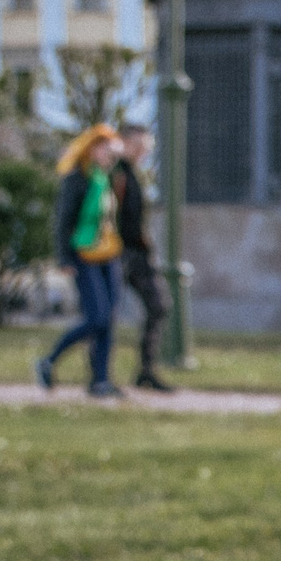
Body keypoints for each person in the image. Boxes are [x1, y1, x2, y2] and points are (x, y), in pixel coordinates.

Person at [39, 126, 125, 399]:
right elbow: (63, 221)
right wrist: (63, 257)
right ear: (91, 148)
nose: (108, 155)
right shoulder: (76, 178)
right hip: (83, 255)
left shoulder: (105, 177)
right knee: (96, 316)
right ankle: (49, 359)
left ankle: (100, 379)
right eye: (104, 149)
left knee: (107, 319)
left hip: (108, 254)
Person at [113, 124, 174, 392]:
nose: (144, 151)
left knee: (159, 305)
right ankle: (98, 375)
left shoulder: (136, 174)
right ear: (124, 142)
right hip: (118, 254)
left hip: (138, 254)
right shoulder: (115, 174)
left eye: (146, 147)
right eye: (139, 145)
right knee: (103, 314)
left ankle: (146, 371)